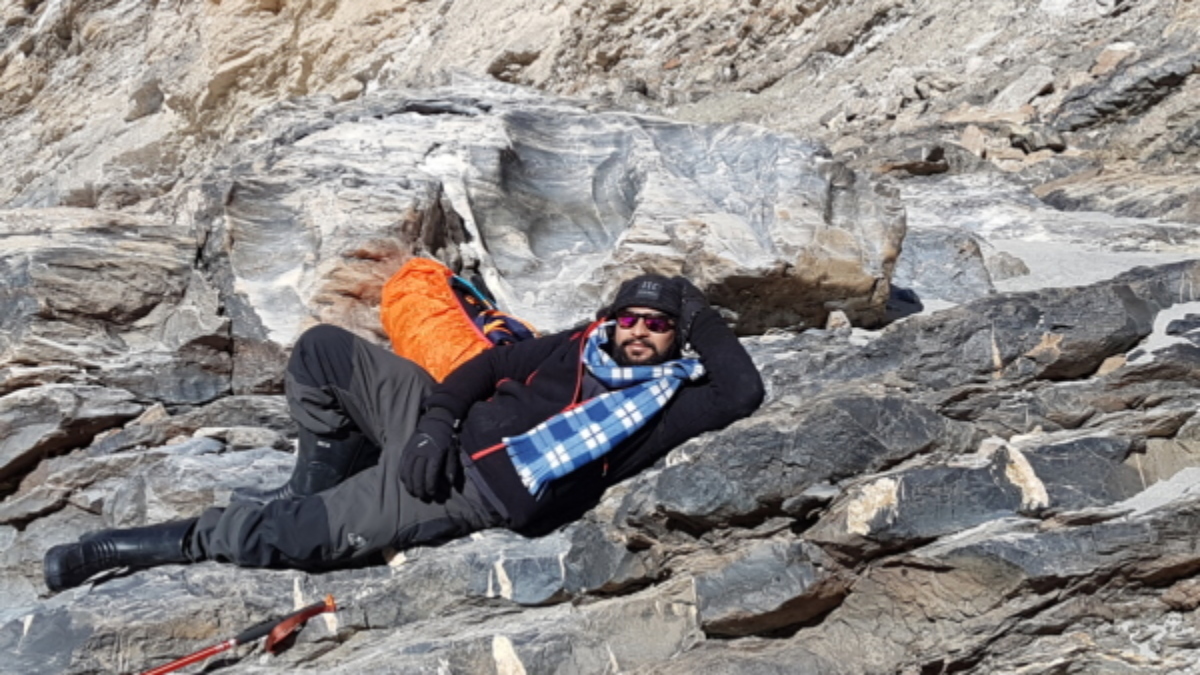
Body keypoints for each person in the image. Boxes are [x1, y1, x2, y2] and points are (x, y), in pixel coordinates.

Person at [43, 274, 765, 591]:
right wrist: (435, 424)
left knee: (291, 537)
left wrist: (694, 304)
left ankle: (117, 548)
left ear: (674, 334)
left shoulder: (670, 402)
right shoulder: (576, 345)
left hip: (466, 491)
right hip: (437, 432)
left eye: (658, 324)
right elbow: (491, 366)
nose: (640, 332)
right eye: (630, 317)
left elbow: (743, 390)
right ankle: (313, 483)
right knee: (323, 350)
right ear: (612, 320)